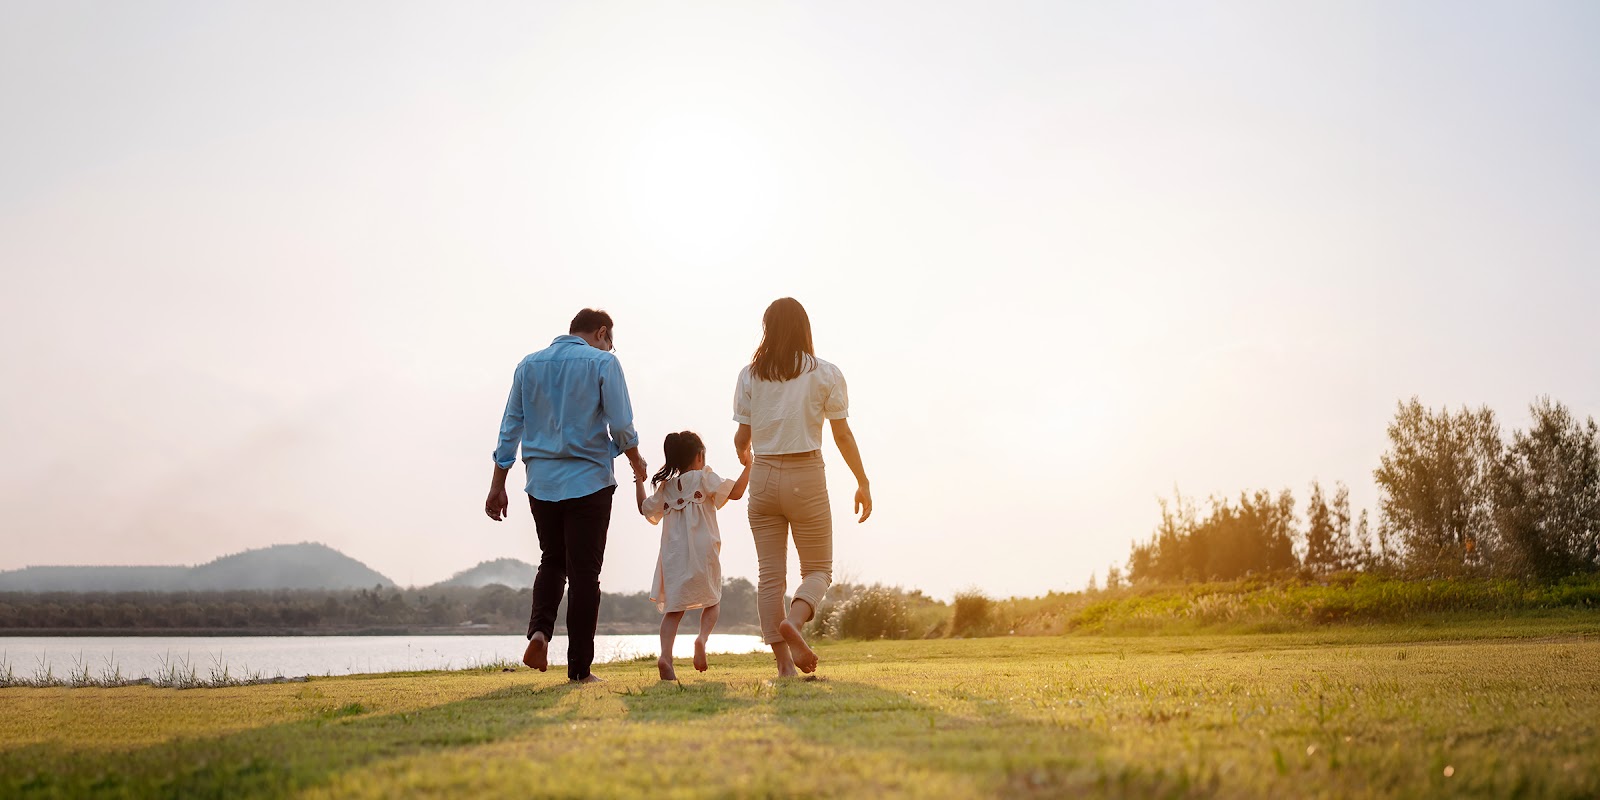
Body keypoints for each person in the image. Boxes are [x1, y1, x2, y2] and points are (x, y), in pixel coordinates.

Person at [484, 308, 649, 684]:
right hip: (589, 480)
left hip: (541, 483)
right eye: (611, 341)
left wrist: (498, 484)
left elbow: (510, 426)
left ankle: (540, 632)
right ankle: (579, 670)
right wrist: (636, 461)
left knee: (552, 561)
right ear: (602, 333)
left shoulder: (528, 365)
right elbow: (622, 424)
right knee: (585, 575)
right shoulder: (603, 362)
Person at [732, 298, 872, 678]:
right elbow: (841, 434)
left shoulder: (749, 375)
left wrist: (747, 454)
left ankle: (783, 667)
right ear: (804, 328)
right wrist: (862, 481)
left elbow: (741, 438)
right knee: (819, 570)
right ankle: (794, 620)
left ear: (767, 329)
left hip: (762, 478)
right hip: (806, 474)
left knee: (770, 576)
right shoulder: (826, 373)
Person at [635, 431, 751, 681]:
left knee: (673, 610)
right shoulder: (704, 477)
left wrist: (639, 480)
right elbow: (737, 492)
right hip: (703, 550)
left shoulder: (666, 488)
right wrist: (750, 465)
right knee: (713, 600)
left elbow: (644, 508)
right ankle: (701, 639)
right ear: (699, 456)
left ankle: (666, 656)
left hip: (674, 556)